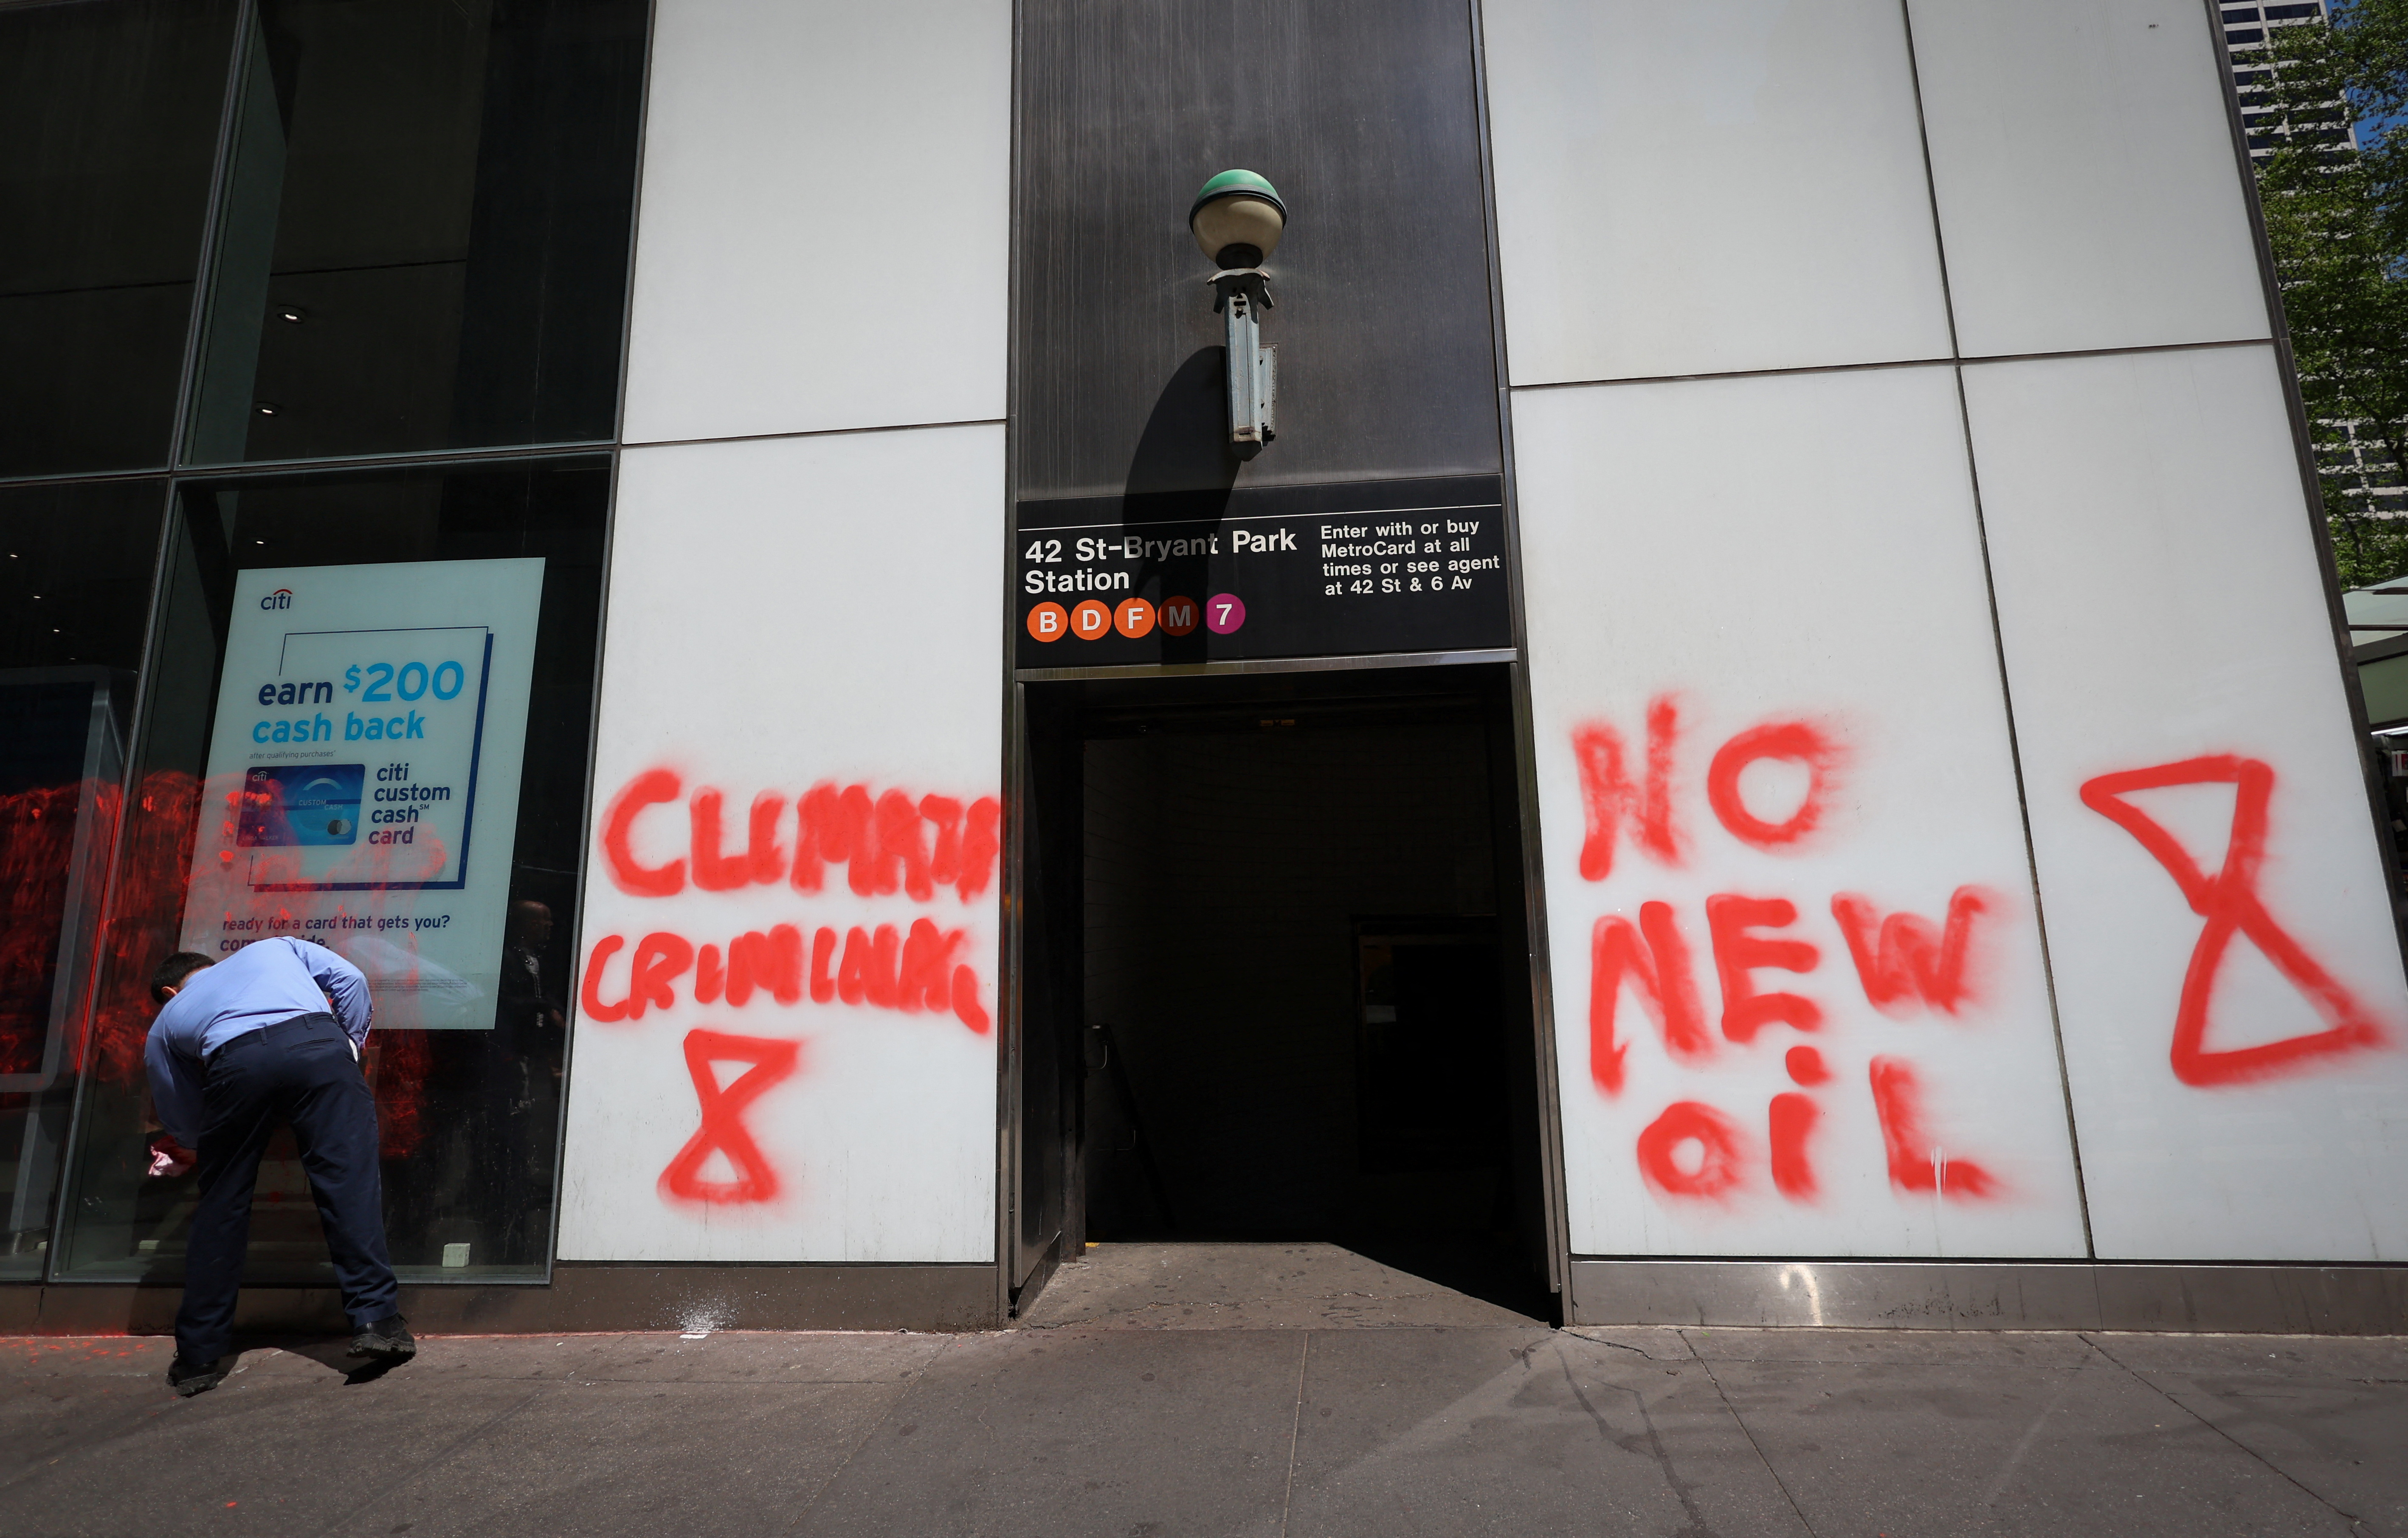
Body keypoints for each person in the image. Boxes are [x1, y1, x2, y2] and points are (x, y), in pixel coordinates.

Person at [145, 937, 414, 1396]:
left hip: (235, 1065)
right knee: (348, 1185)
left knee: (222, 1207)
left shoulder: (167, 1020)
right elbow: (350, 980)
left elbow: (181, 1109)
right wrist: (347, 1047)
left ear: (171, 991)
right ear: (215, 965)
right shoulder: (275, 947)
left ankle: (199, 1357)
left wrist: (192, 1147)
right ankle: (376, 1321)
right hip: (317, 1043)